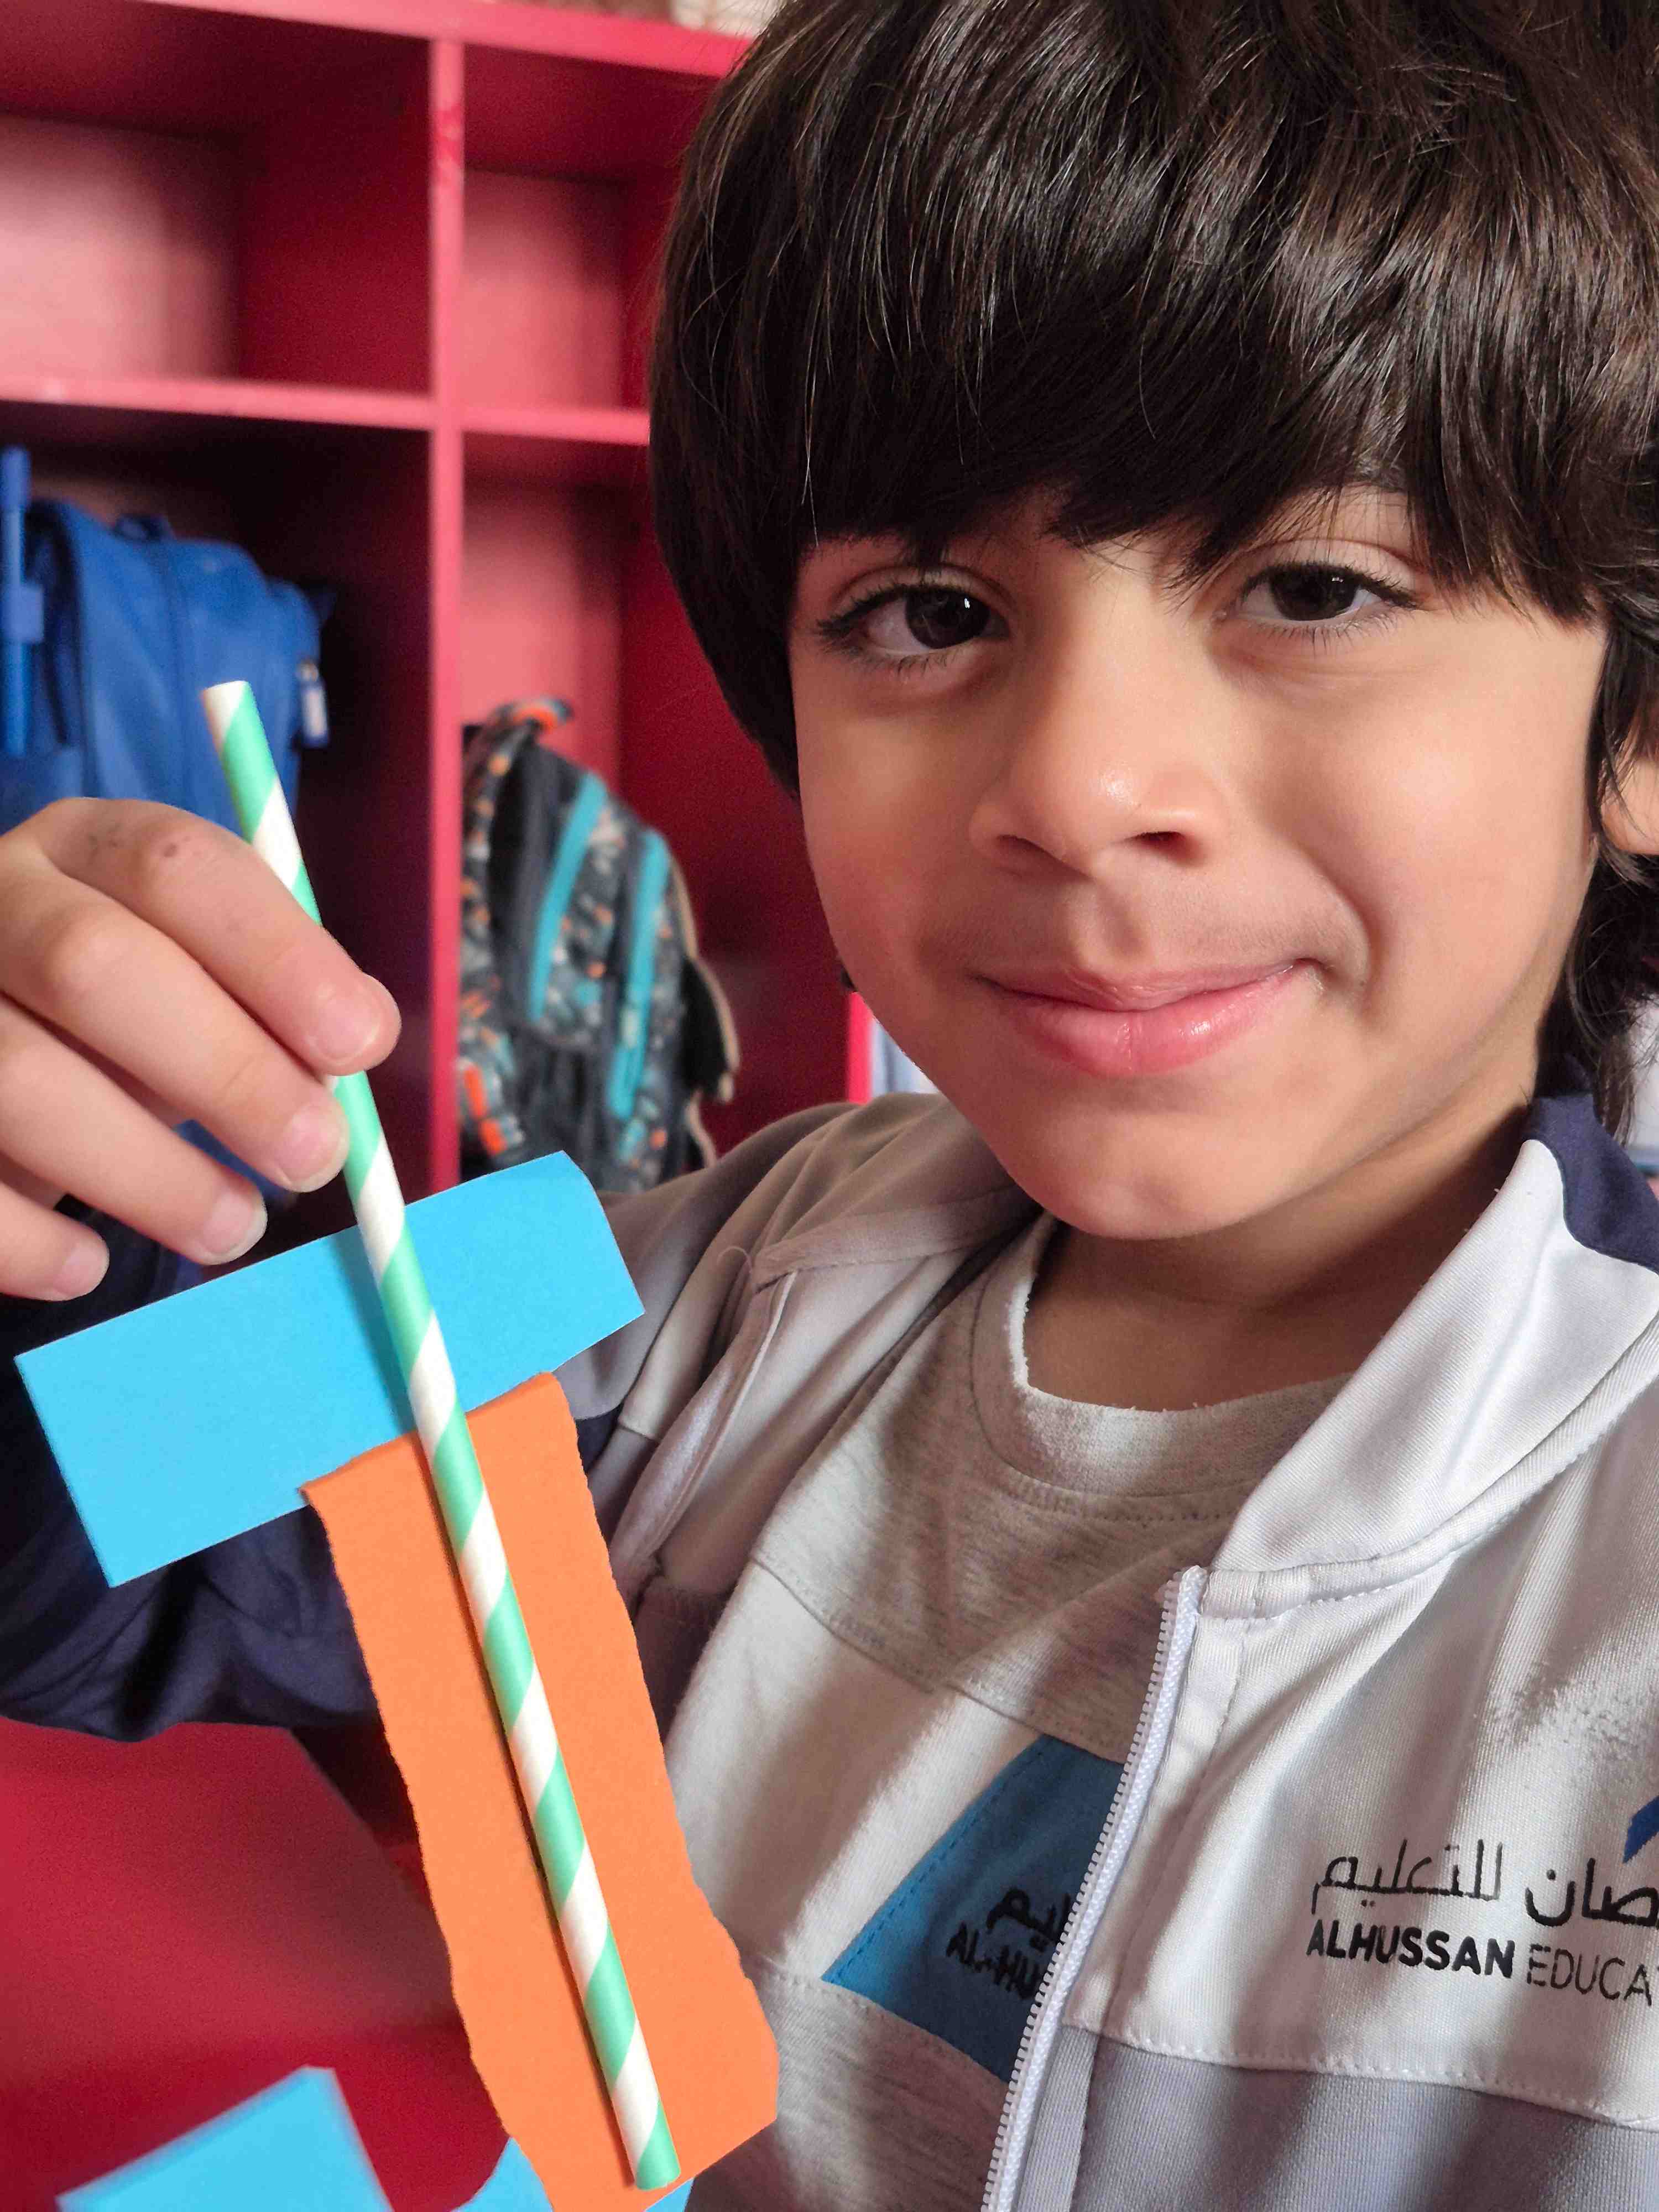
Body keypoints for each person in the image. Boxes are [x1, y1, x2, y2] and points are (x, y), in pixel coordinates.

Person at [6, 1, 1659, 2204]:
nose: (1078, 787)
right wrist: (48, 1220)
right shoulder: (699, 1272)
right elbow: (97, 1540)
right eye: (930, 610)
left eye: (1315, 586)